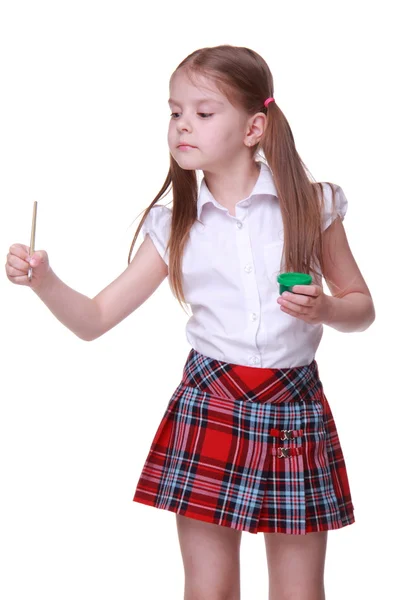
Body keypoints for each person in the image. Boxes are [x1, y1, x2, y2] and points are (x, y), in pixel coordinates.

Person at [6, 44, 375, 600]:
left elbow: (361, 307)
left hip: (295, 411)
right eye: (175, 111)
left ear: (254, 126)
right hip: (210, 406)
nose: (182, 125)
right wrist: (44, 282)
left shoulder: (310, 206)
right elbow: (95, 318)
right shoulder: (173, 223)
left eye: (203, 113)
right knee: (209, 588)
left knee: (300, 592)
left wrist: (326, 308)